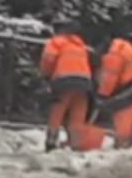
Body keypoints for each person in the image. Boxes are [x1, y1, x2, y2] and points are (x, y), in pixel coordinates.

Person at [38, 18, 92, 152]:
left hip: (64, 80)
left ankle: (51, 142)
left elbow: (48, 60)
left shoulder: (55, 42)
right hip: (84, 81)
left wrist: (46, 76)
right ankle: (75, 143)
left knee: (57, 111)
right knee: (77, 113)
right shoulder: (80, 45)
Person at [95, 36, 132, 150]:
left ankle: (121, 146)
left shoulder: (113, 56)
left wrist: (101, 98)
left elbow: (108, 80)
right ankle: (128, 145)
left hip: (128, 90)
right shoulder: (121, 46)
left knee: (123, 119)